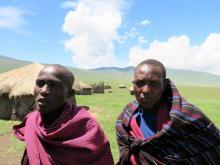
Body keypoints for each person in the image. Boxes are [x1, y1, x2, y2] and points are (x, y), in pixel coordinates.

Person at [115, 59, 220, 165]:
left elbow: (214, 149)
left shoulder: (186, 116)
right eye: (140, 83)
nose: (146, 90)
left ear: (164, 85)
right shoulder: (126, 118)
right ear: (134, 85)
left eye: (154, 83)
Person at [13, 64, 114, 165]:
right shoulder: (32, 120)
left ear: (69, 93)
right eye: (40, 83)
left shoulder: (86, 126)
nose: (43, 91)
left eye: (54, 85)